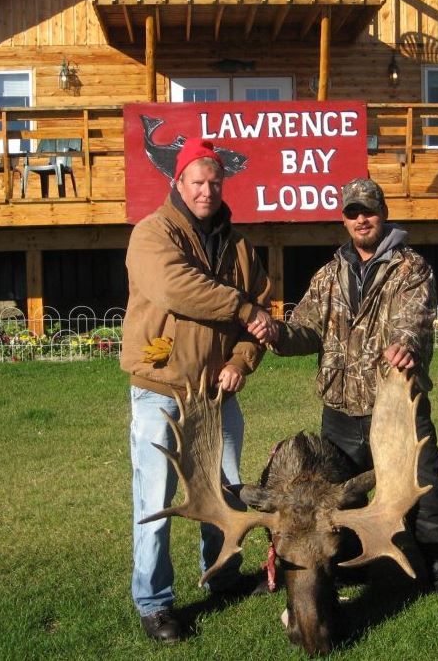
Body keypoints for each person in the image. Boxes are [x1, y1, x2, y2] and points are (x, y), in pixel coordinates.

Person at [248, 177, 438, 612]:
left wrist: (404, 344)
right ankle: (348, 568)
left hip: (395, 410)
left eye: (368, 211)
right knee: (335, 506)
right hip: (338, 410)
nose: (361, 219)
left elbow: (413, 320)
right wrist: (277, 332)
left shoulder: (411, 268)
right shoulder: (329, 275)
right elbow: (306, 329)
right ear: (344, 219)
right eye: (352, 212)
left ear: (383, 213)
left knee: (425, 492)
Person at [121, 138, 274, 643]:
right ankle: (154, 602)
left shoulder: (239, 244)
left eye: (214, 182)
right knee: (156, 501)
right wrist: (244, 309)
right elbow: (175, 287)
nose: (206, 190)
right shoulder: (152, 233)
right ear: (178, 183)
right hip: (161, 388)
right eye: (197, 182)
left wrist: (240, 360)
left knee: (227, 493)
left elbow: (263, 308)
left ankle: (223, 575)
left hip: (218, 394)